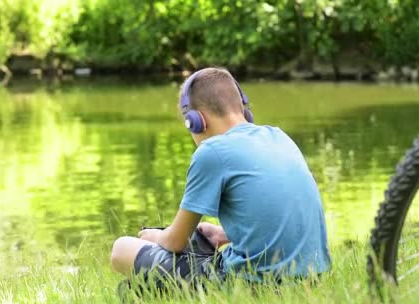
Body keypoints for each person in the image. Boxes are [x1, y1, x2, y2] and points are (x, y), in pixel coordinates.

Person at [110, 67, 331, 290]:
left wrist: (155, 237)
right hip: (312, 279)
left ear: (196, 121)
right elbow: (287, 219)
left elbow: (175, 242)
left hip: (252, 283)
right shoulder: (279, 137)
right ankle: (143, 292)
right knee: (180, 254)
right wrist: (224, 235)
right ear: (244, 109)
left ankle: (142, 290)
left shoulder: (212, 151)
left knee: (122, 249)